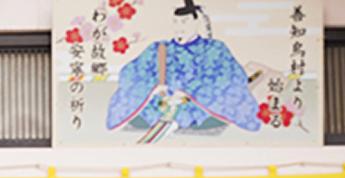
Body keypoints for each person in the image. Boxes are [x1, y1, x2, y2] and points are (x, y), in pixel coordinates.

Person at [105, 0, 260, 142]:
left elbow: (230, 75)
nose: (180, 27)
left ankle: (174, 121)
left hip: (196, 100)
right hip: (161, 100)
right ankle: (163, 121)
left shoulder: (214, 48)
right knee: (140, 97)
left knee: (224, 91)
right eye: (176, 22)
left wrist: (189, 91)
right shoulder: (159, 47)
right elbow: (131, 71)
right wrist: (155, 88)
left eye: (184, 22)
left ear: (196, 21)